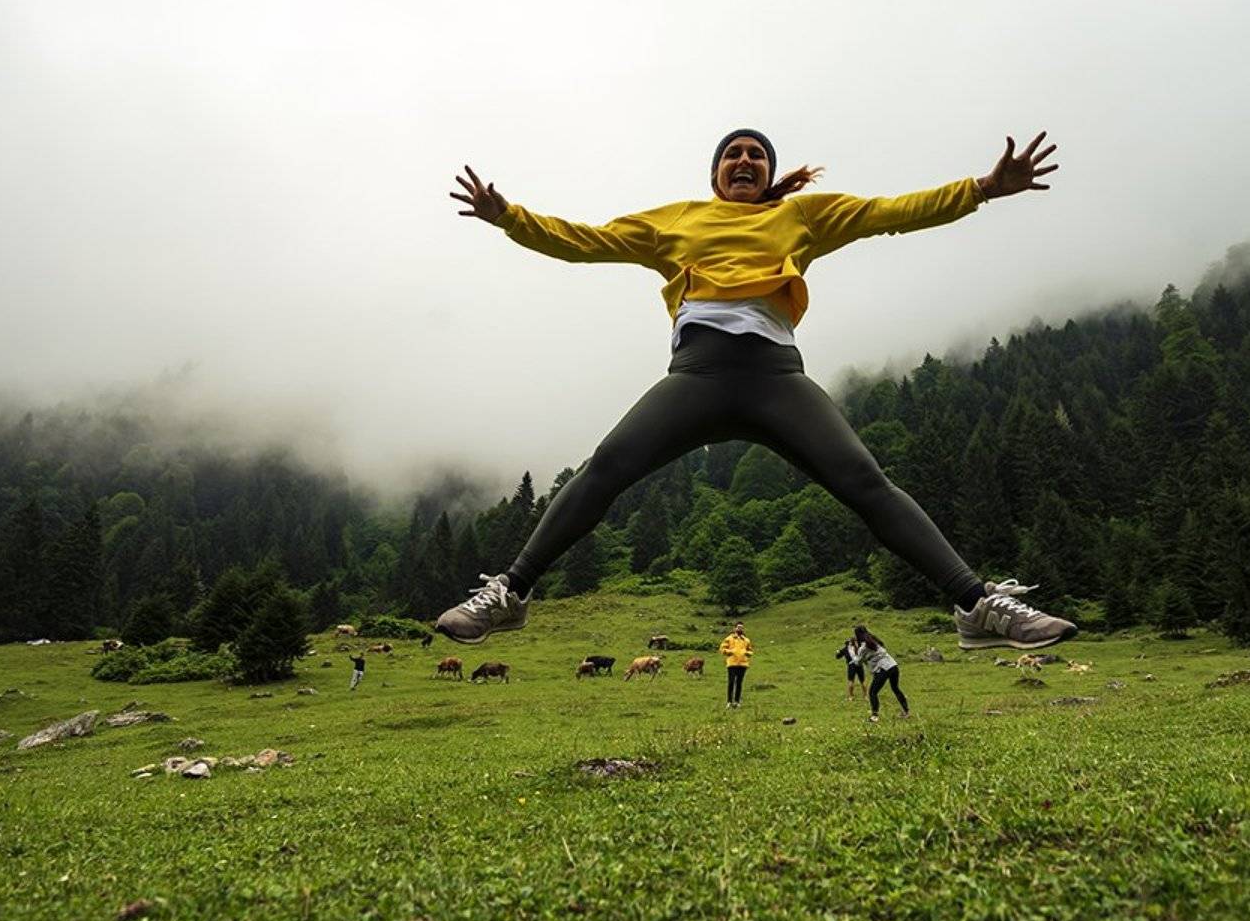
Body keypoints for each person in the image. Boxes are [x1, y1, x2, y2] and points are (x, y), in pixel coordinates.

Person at [437, 128, 1077, 652]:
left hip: (776, 378)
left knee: (866, 482)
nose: (745, 161)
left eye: (756, 155)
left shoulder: (800, 215)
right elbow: (586, 242)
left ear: (768, 173)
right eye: (733, 154)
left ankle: (977, 606)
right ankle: (510, 594)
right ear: (715, 173)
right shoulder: (675, 220)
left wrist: (983, 188)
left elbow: (890, 214)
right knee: (605, 468)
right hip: (697, 376)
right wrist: (508, 217)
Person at [853, 625, 908, 722]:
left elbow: (858, 662)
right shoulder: (875, 640)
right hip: (893, 665)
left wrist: (854, 652)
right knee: (895, 688)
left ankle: (874, 716)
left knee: (872, 692)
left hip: (883, 669)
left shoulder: (863, 647)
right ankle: (906, 711)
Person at [719, 621, 754, 709]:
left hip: (743, 664)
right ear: (734, 628)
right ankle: (729, 701)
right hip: (732, 663)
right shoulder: (729, 638)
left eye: (741, 627)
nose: (740, 629)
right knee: (731, 682)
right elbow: (722, 649)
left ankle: (737, 701)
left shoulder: (746, 640)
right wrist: (730, 652)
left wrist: (747, 653)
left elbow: (750, 650)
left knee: (739, 683)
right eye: (738, 627)